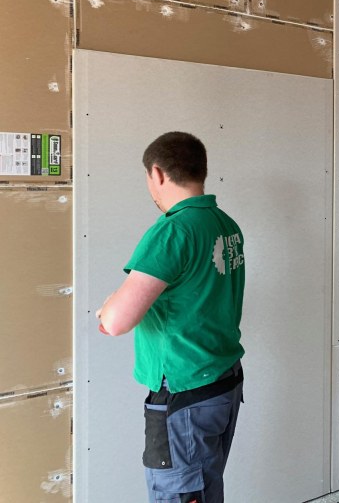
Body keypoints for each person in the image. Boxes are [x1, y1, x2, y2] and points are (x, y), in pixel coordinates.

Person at [96, 131, 246, 503]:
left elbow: (115, 322)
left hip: (184, 393)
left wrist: (109, 305)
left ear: (158, 173)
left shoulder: (173, 230)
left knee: (182, 494)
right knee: (205, 487)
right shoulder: (225, 224)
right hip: (222, 381)